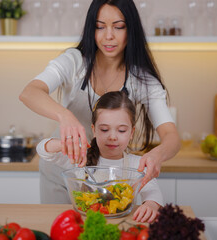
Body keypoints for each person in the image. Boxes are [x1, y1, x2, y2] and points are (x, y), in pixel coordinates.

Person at [19, 0, 180, 203]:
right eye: (100, 27)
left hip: (108, 173)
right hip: (62, 169)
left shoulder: (143, 79)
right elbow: (29, 92)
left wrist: (157, 155)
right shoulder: (74, 61)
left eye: (118, 27)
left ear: (131, 30)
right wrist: (66, 116)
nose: (108, 36)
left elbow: (171, 137)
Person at [37, 91, 163, 223]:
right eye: (104, 129)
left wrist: (150, 205)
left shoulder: (138, 163)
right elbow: (43, 151)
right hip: (87, 224)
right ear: (94, 130)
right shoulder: (81, 158)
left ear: (131, 133)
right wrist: (63, 144)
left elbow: (153, 191)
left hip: (122, 223)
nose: (112, 137)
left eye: (121, 130)